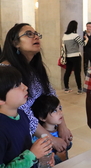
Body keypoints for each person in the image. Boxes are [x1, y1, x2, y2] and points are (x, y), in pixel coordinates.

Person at [0, 23, 72, 154]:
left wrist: (62, 125)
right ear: (15, 43)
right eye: (28, 34)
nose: (35, 37)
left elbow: (51, 93)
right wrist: (49, 138)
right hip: (19, 133)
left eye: (36, 34)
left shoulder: (32, 67)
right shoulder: (6, 71)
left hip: (41, 125)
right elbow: (22, 110)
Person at [0, 66, 54, 168]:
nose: (25, 87)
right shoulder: (2, 129)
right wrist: (32, 155)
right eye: (17, 85)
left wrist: (41, 153)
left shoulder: (22, 114)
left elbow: (26, 144)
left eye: (22, 82)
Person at [31, 95, 72, 164]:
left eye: (60, 108)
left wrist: (68, 142)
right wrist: (59, 157)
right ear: (42, 117)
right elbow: (43, 161)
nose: (60, 112)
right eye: (54, 111)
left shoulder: (59, 131)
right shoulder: (39, 139)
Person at [63, 20, 88, 94]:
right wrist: (86, 39)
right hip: (76, 56)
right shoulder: (75, 35)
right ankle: (80, 89)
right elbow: (83, 44)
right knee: (77, 72)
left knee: (67, 72)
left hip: (68, 56)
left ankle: (66, 88)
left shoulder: (64, 36)